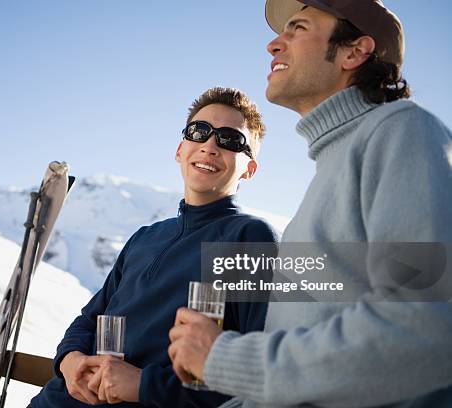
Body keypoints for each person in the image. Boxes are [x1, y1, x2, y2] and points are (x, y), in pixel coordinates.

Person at [168, 1, 452, 407]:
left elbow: (421, 325)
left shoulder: (402, 131)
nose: (273, 45)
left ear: (354, 52)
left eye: (297, 28)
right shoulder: (331, 169)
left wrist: (223, 358)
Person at [29, 87, 277, 408]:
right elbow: (89, 319)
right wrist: (70, 360)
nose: (210, 146)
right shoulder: (145, 237)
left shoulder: (249, 237)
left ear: (250, 169)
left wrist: (144, 385)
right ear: (180, 150)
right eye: (199, 132)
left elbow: (253, 371)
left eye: (230, 140)